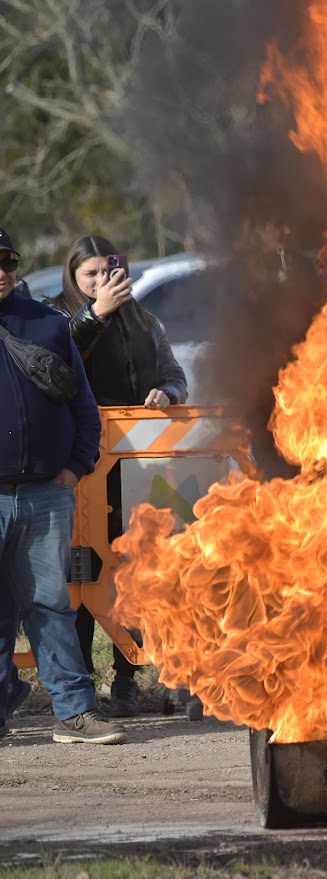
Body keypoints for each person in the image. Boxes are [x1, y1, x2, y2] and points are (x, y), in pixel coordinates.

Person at [49, 235, 188, 719]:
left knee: (132, 572)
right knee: (80, 574)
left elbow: (175, 374)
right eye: (89, 274)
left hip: (134, 468)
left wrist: (167, 393)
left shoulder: (144, 320)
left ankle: (128, 678)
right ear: (73, 276)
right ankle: (81, 686)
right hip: (78, 469)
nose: (99, 282)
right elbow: (56, 364)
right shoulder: (57, 317)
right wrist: (95, 315)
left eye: (107, 271)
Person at [0, 227, 126, 744]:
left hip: (46, 492)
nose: (2, 271)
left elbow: (83, 408)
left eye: (8, 261)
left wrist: (76, 466)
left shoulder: (48, 323)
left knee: (51, 605)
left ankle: (75, 713)